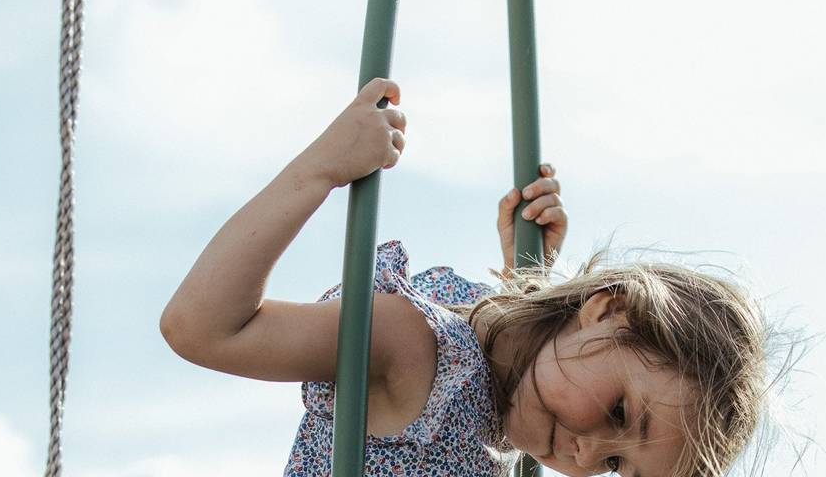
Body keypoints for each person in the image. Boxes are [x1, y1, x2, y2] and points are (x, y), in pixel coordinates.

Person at [160, 78, 769, 477]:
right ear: (605, 310)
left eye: (614, 466)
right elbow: (203, 328)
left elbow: (494, 345)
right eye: (617, 413)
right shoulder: (415, 347)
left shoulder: (482, 384)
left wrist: (524, 281)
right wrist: (321, 169)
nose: (584, 453)